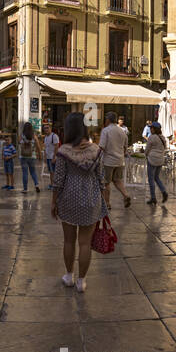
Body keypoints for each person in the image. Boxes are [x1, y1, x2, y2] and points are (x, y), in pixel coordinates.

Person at [49, 111, 106, 291]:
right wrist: (102, 201)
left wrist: (53, 202)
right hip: (91, 198)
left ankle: (69, 276)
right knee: (85, 243)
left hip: (68, 199)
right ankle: (82, 281)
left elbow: (58, 180)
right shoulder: (96, 150)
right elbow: (101, 178)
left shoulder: (64, 151)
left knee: (68, 241)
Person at [98, 113, 133, 209]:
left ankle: (107, 203)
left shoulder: (106, 131)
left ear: (108, 120)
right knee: (118, 180)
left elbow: (101, 147)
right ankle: (126, 195)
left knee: (106, 182)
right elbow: (125, 147)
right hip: (120, 160)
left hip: (108, 161)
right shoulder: (122, 131)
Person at [143, 120, 170, 203]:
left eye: (151, 128)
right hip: (160, 159)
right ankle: (163, 191)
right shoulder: (163, 137)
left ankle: (153, 198)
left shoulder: (152, 137)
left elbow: (147, 149)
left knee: (151, 179)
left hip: (152, 159)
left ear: (154, 129)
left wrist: (145, 155)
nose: (150, 130)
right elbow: (165, 148)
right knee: (156, 177)